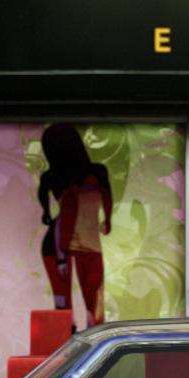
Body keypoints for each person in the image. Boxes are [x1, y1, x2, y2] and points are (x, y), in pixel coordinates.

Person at [36, 124, 114, 327]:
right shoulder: (97, 172)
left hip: (63, 244)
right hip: (71, 243)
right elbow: (102, 201)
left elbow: (59, 210)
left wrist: (46, 213)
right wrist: (107, 220)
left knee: (67, 305)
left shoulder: (53, 177)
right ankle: (82, 340)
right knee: (89, 305)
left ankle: (71, 339)